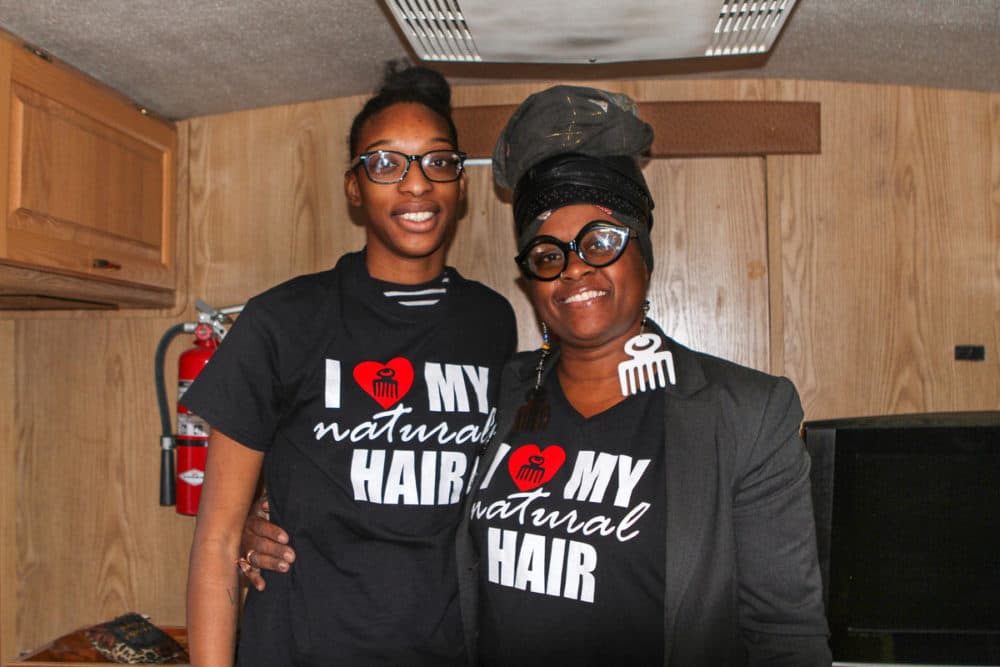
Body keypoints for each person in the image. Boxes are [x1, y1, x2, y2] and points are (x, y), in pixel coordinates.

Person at [240, 85, 832, 666]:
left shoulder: (746, 414)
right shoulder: (496, 391)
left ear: (641, 253)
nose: (574, 269)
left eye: (599, 242)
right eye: (548, 254)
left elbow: (785, 634)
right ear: (531, 278)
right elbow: (392, 462)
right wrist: (264, 516)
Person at [183, 64, 517, 667]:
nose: (416, 185)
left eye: (437, 162)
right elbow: (218, 540)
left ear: (460, 184)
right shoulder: (281, 321)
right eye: (386, 164)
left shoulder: (491, 324)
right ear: (354, 188)